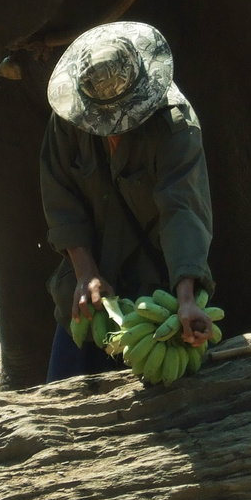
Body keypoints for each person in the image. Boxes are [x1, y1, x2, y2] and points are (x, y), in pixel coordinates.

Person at [41, 21, 214, 382]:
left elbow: (183, 211)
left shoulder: (176, 128)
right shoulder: (70, 118)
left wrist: (185, 297)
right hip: (88, 289)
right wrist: (85, 272)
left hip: (155, 292)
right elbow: (61, 197)